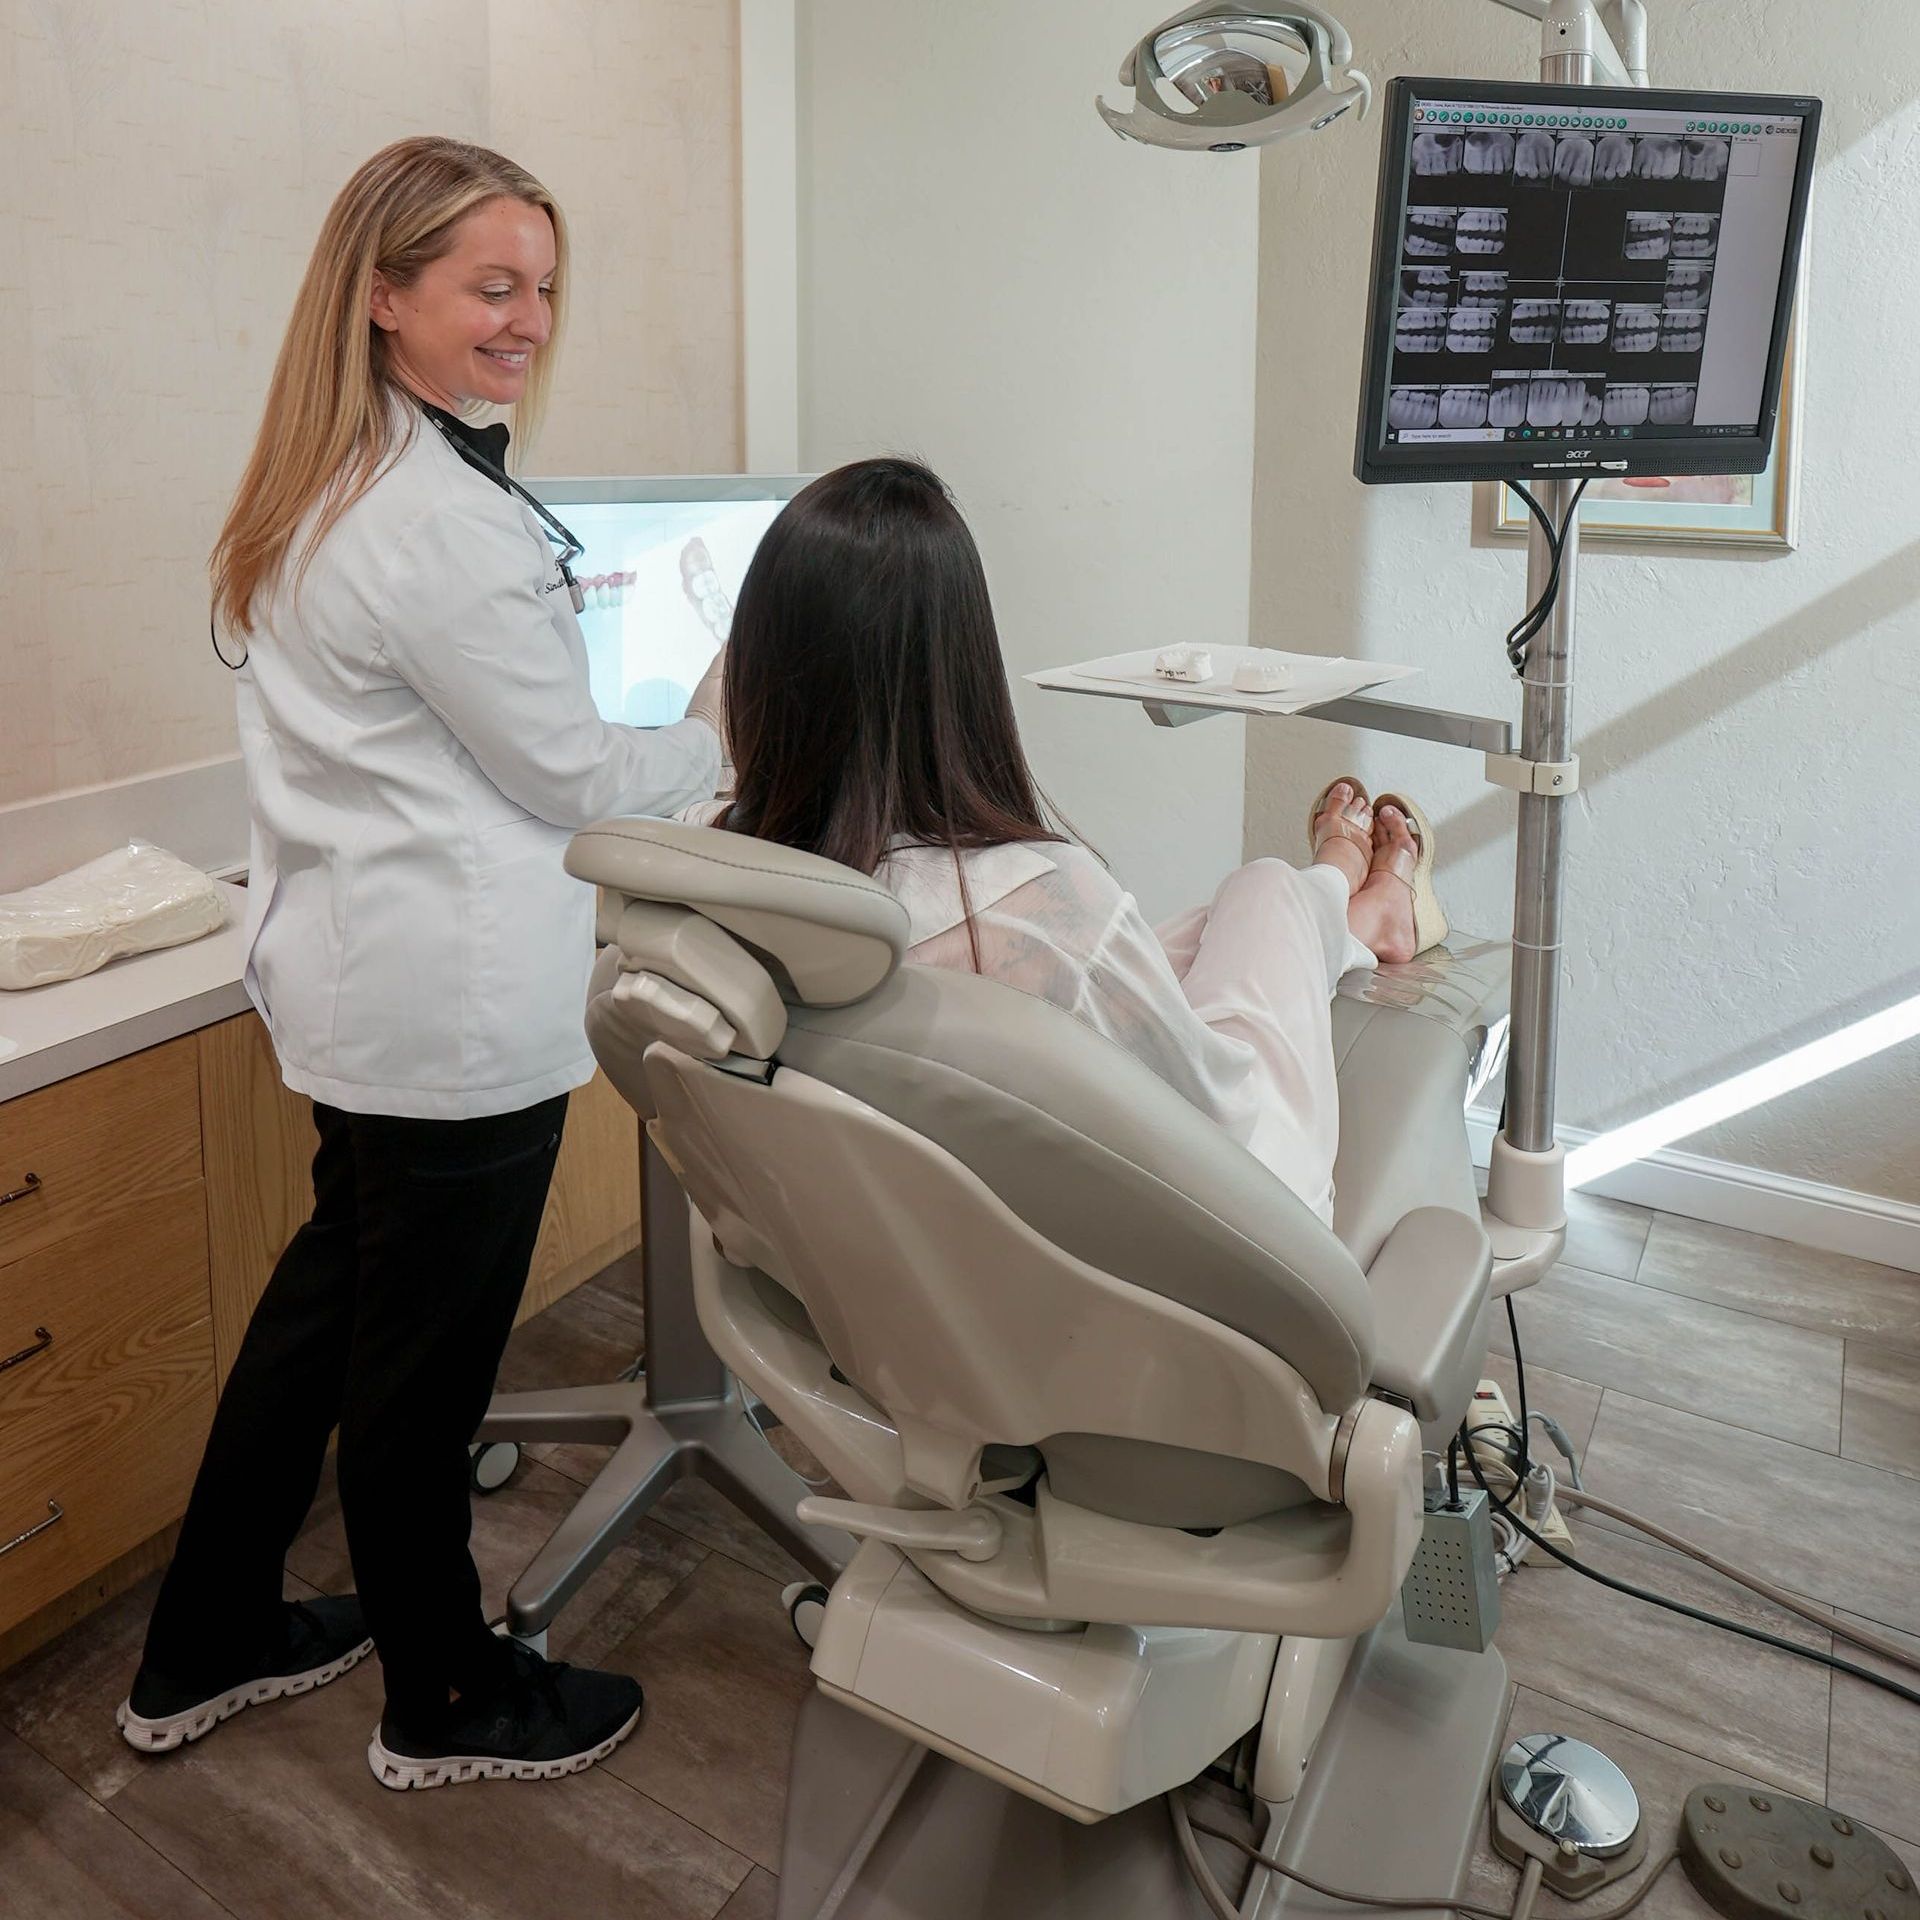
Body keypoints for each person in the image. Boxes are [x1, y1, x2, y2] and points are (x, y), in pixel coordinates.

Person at [119, 137, 725, 1789]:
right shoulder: (430, 519)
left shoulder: (337, 478)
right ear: (385, 297)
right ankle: (447, 1695)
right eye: (489, 286)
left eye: (541, 287)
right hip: (449, 1008)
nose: (528, 318)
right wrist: (719, 729)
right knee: (419, 1371)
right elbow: (566, 771)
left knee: (325, 1325)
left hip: (356, 981)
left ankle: (207, 1638)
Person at [694, 457, 1447, 1226]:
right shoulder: (1043, 905)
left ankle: (1345, 911)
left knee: (1232, 912)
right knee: (1265, 890)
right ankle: (1352, 888)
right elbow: (1222, 1122)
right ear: (958, 677)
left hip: (919, 1253)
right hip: (1241, 1219)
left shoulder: (716, 871)